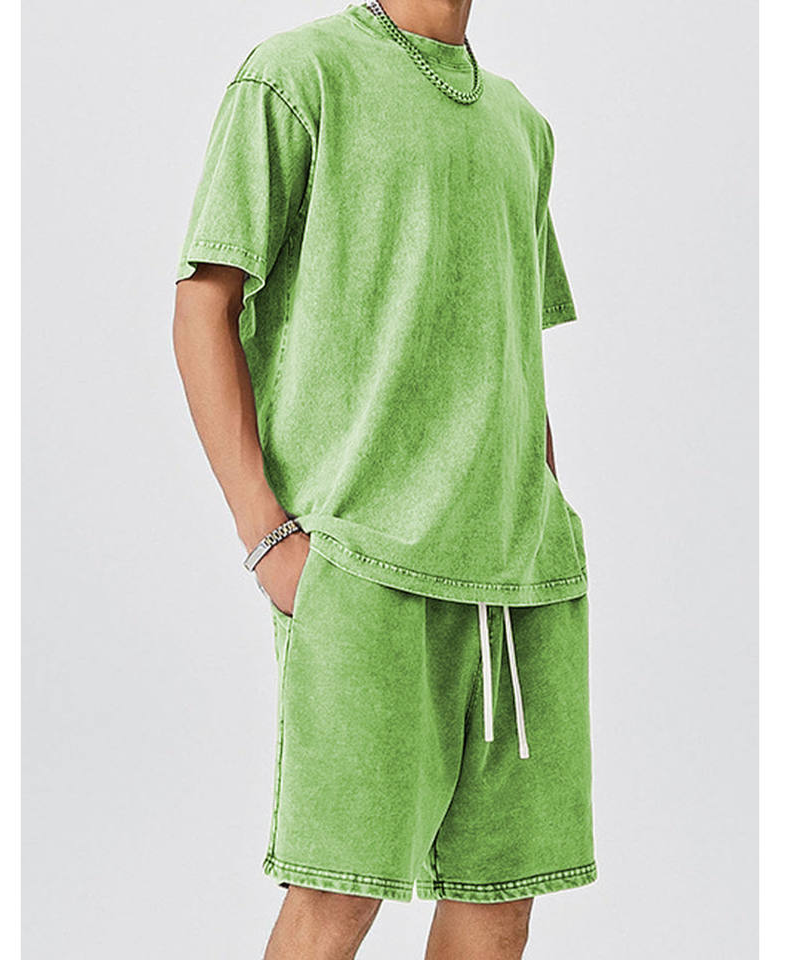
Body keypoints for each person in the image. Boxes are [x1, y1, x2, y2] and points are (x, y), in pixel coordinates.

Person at [173, 2, 595, 957]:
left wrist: (547, 509)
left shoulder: (522, 124)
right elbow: (202, 306)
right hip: (361, 568)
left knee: (500, 904)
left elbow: (513, 347)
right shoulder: (297, 77)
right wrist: (268, 538)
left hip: (522, 579)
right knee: (337, 894)